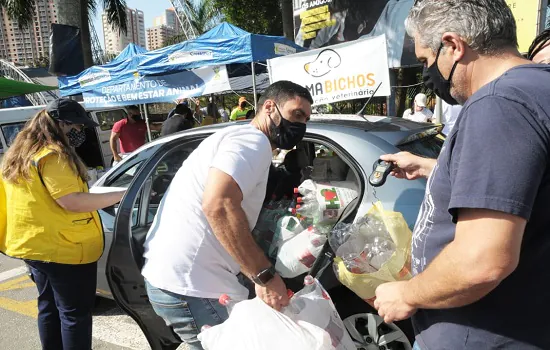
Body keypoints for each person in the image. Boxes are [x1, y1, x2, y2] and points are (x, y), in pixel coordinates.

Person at [374, 1, 550, 349]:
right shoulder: (536, 89)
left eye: (426, 60)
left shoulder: (500, 104)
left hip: (483, 334)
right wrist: (430, 167)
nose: (427, 72)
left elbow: (482, 260)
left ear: (453, 46)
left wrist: (407, 295)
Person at [141, 81, 313, 350]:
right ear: (270, 107)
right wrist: (265, 276)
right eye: (296, 114)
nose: (301, 125)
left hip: (177, 280)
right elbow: (219, 205)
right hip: (196, 288)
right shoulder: (253, 142)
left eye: (306, 119)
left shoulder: (238, 138)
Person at [0, 98, 125, 350]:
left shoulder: (21, 155)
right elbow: (72, 201)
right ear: (62, 124)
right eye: (76, 127)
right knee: (74, 314)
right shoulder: (54, 155)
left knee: (48, 307)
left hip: (32, 245)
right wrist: (123, 194)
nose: (79, 133)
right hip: (63, 248)